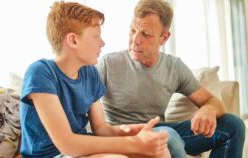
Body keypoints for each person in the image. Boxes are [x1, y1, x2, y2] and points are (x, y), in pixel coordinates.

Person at [20, 1, 171, 158]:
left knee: (160, 152)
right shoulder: (40, 72)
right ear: (73, 40)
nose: (102, 43)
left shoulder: (90, 73)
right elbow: (67, 144)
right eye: (96, 36)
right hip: (53, 154)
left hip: (81, 150)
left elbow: (100, 128)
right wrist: (134, 143)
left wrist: (126, 131)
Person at [96, 0, 246, 157]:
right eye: (133, 30)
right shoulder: (108, 64)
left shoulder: (173, 67)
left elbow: (213, 101)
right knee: (168, 136)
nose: (135, 40)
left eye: (146, 34)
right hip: (123, 136)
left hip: (161, 130)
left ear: (164, 37)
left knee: (233, 125)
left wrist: (208, 109)